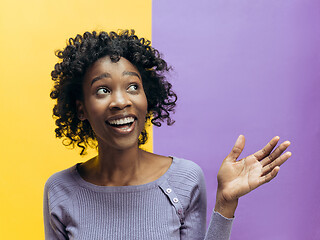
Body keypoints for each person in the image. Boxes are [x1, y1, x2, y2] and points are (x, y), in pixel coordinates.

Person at [44, 30, 291, 240]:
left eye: (133, 87)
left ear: (147, 97)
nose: (121, 101)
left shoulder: (185, 180)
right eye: (103, 90)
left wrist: (225, 203)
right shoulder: (60, 190)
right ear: (81, 109)